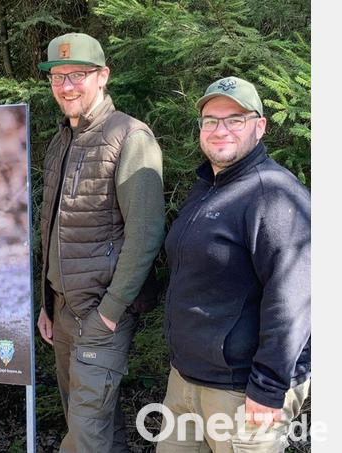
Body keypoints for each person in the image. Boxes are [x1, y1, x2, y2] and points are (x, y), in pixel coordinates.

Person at [156, 76, 310, 452]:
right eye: (211, 120)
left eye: (235, 119)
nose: (220, 129)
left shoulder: (273, 193)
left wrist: (268, 388)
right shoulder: (207, 186)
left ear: (260, 126)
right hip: (186, 379)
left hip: (243, 391)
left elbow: (295, 300)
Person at [35, 32, 166, 451]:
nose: (67, 86)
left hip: (100, 314)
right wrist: (47, 303)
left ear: (103, 76)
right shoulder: (61, 141)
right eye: (58, 77)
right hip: (62, 312)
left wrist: (109, 313)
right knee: (97, 428)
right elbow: (53, 229)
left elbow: (145, 234)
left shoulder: (130, 137)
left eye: (78, 75)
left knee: (84, 437)